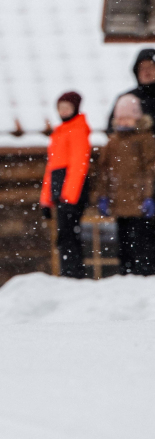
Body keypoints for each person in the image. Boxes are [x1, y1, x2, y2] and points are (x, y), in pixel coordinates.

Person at [93, 94, 155, 276]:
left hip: (140, 202)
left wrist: (149, 196)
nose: (123, 122)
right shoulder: (112, 143)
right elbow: (104, 171)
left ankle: (145, 275)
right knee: (124, 243)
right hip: (120, 202)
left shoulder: (146, 140)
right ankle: (125, 274)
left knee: (142, 243)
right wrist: (103, 196)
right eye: (120, 118)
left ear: (137, 118)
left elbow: (151, 169)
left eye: (127, 118)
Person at [39, 92, 91, 278]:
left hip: (71, 192)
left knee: (69, 234)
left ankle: (73, 273)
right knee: (63, 234)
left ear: (75, 108)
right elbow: (51, 168)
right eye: (60, 108)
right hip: (59, 190)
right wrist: (46, 200)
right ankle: (68, 271)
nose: (63, 111)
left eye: (67, 107)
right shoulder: (59, 132)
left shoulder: (77, 130)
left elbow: (78, 165)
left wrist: (69, 196)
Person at [107, 48, 155, 131]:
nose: (146, 71)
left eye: (150, 67)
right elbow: (112, 130)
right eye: (142, 68)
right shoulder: (127, 99)